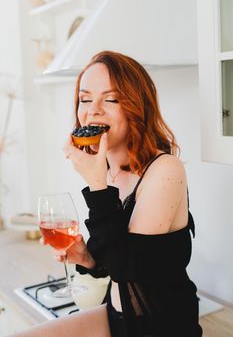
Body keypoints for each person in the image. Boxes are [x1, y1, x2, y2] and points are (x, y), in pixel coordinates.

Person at [10, 50, 203, 337]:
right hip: (116, 318)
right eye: (85, 99)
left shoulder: (165, 169)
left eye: (110, 99)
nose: (94, 109)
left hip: (161, 326)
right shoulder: (109, 170)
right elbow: (113, 263)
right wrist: (86, 256)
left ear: (138, 107)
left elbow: (128, 269)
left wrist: (97, 184)